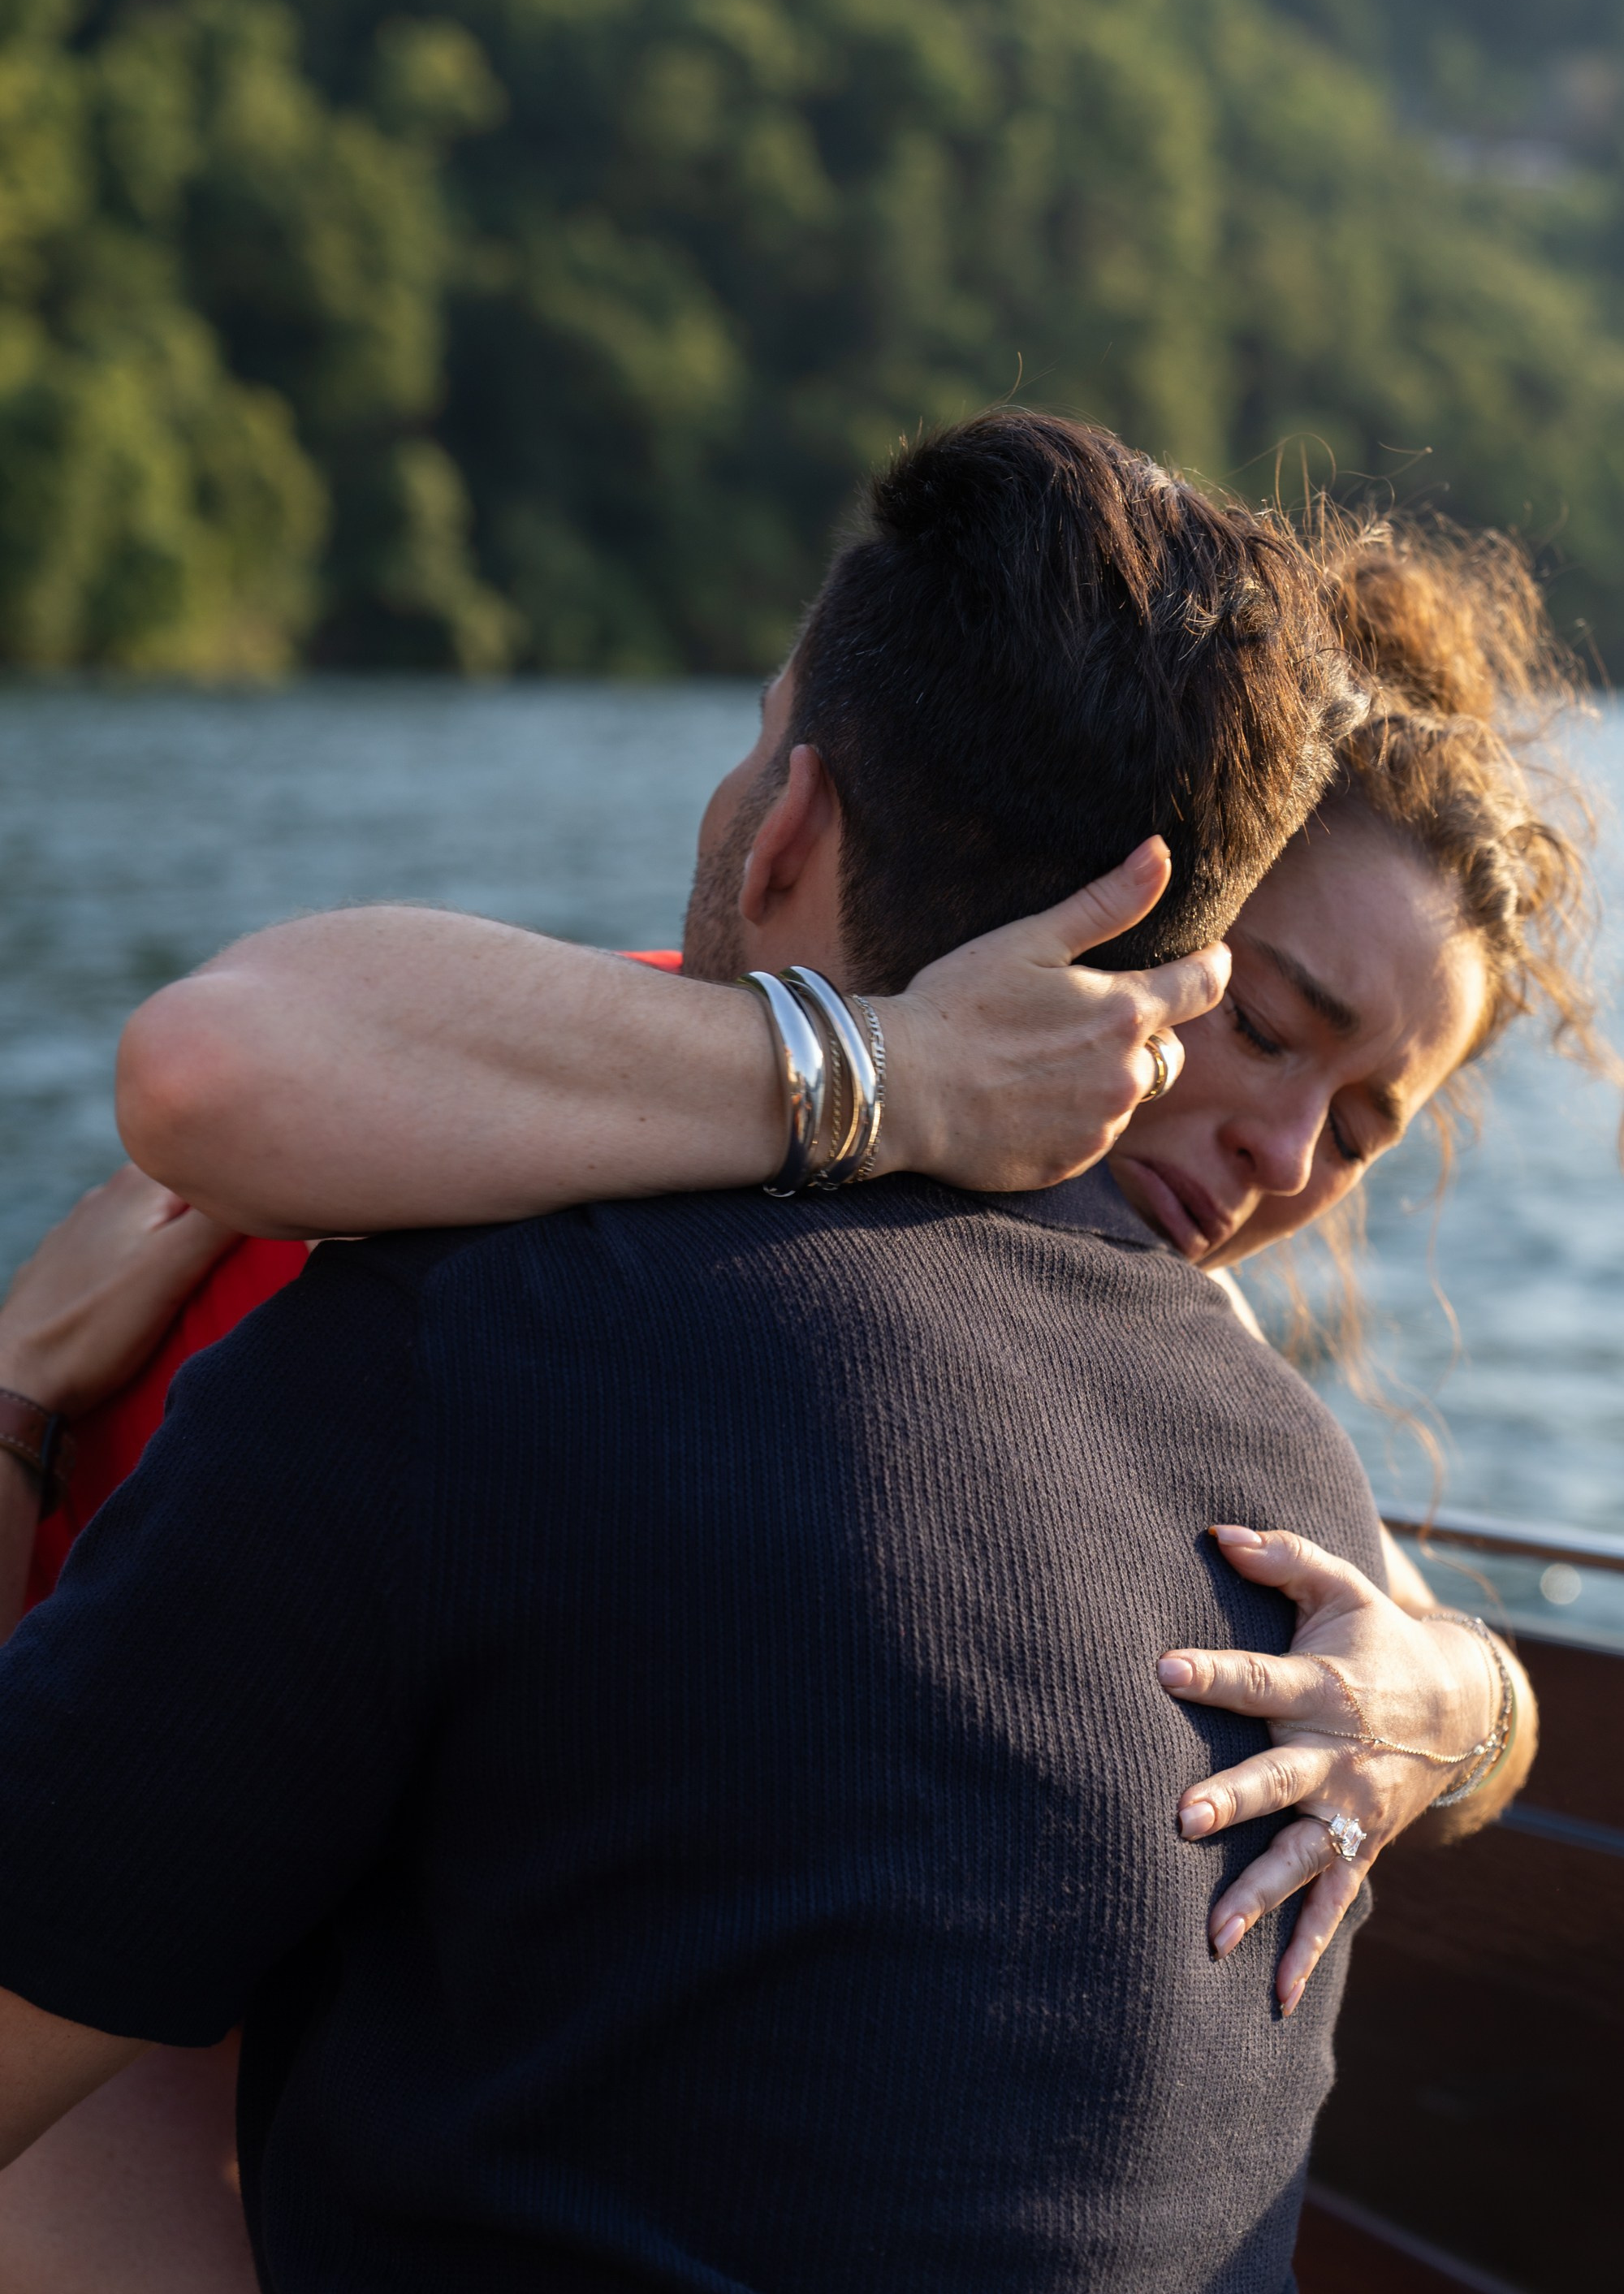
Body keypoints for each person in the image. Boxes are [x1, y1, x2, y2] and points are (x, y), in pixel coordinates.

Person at [0, 417, 1535, 2291]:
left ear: (788, 817)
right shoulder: (1261, 1457)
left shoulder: (472, 1318)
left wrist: (11, 1410)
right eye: (1273, 1032)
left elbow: (209, 1082)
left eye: (1364, 1129)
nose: (1286, 1156)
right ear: (1161, 951)